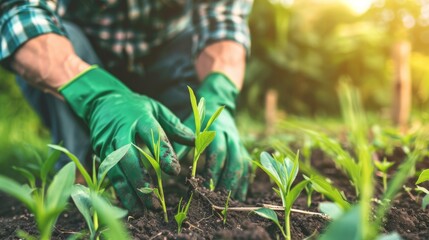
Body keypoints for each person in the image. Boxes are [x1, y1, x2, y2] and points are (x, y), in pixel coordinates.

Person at [0, 0, 253, 211]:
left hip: (166, 58)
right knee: (59, 34)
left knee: (193, 42)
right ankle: (81, 175)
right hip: (83, 60)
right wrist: (97, 94)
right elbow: (18, 14)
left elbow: (223, 22)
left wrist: (218, 94)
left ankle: (190, 172)